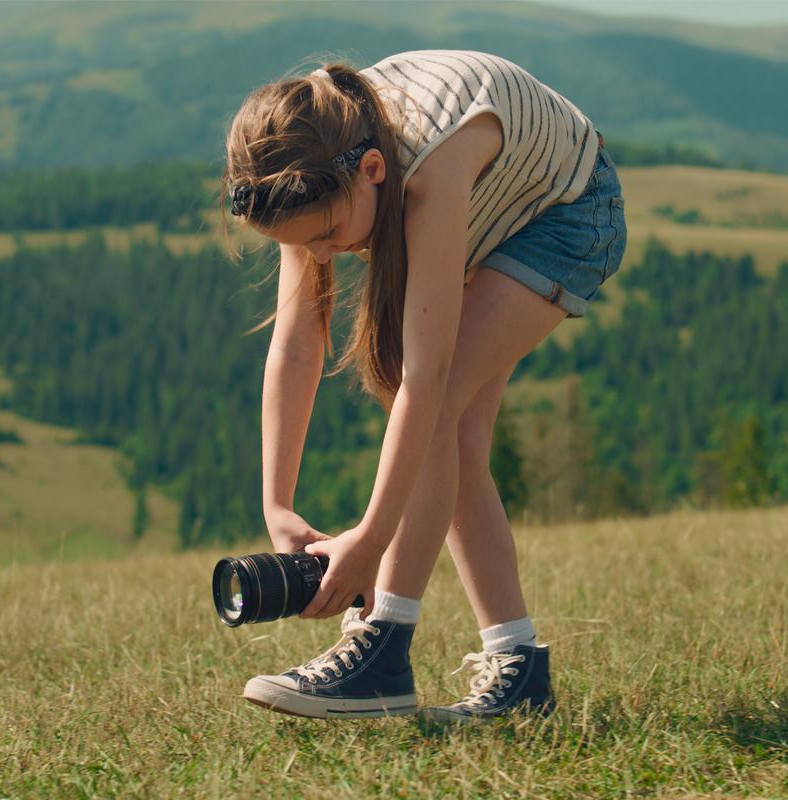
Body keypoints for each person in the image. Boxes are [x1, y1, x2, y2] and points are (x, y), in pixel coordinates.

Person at [221, 50, 627, 721]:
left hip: (565, 213)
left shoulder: (429, 163)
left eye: (325, 236)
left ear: (373, 173)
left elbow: (424, 380)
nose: (322, 256)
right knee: (458, 431)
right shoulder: (308, 164)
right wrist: (278, 506)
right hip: (493, 205)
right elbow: (296, 347)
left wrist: (371, 543)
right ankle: (519, 671)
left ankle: (382, 647)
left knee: (440, 410)